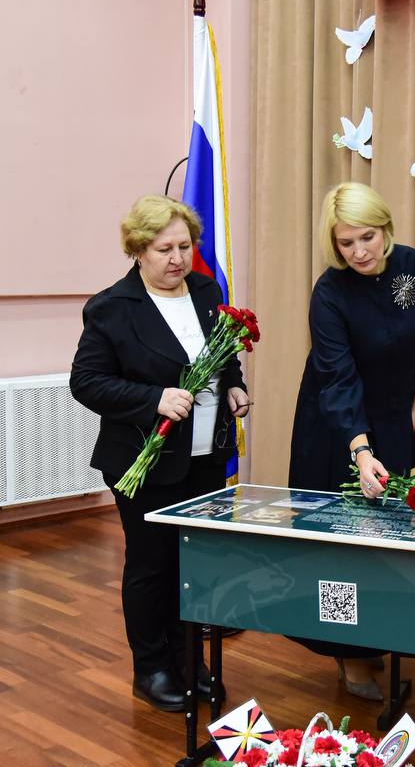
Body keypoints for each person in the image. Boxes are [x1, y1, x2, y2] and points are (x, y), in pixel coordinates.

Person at [70, 195, 251, 712]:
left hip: (205, 457)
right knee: (153, 566)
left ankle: (190, 660)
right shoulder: (111, 308)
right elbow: (86, 382)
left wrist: (234, 385)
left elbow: (222, 355)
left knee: (193, 564)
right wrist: (154, 399)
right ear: (138, 251)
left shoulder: (206, 291)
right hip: (143, 462)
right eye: (164, 249)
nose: (177, 258)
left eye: (185, 246)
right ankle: (151, 668)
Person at [288, 182, 415, 700]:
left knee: (389, 535)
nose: (359, 252)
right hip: (337, 426)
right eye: (346, 243)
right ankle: (348, 656)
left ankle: (374, 633)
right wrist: (360, 449)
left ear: (385, 228)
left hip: (393, 417)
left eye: (367, 238)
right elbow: (338, 377)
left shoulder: (411, 266)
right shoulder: (330, 293)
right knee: (344, 545)